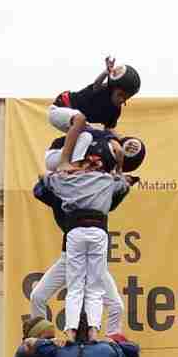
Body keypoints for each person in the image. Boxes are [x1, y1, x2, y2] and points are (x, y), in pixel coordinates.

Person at [29, 130, 136, 339]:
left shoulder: (100, 187)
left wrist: (118, 172)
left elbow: (119, 190)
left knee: (116, 306)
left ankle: (112, 338)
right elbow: (39, 188)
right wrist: (65, 170)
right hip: (70, 256)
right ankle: (43, 340)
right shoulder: (65, 188)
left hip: (88, 252)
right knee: (37, 296)